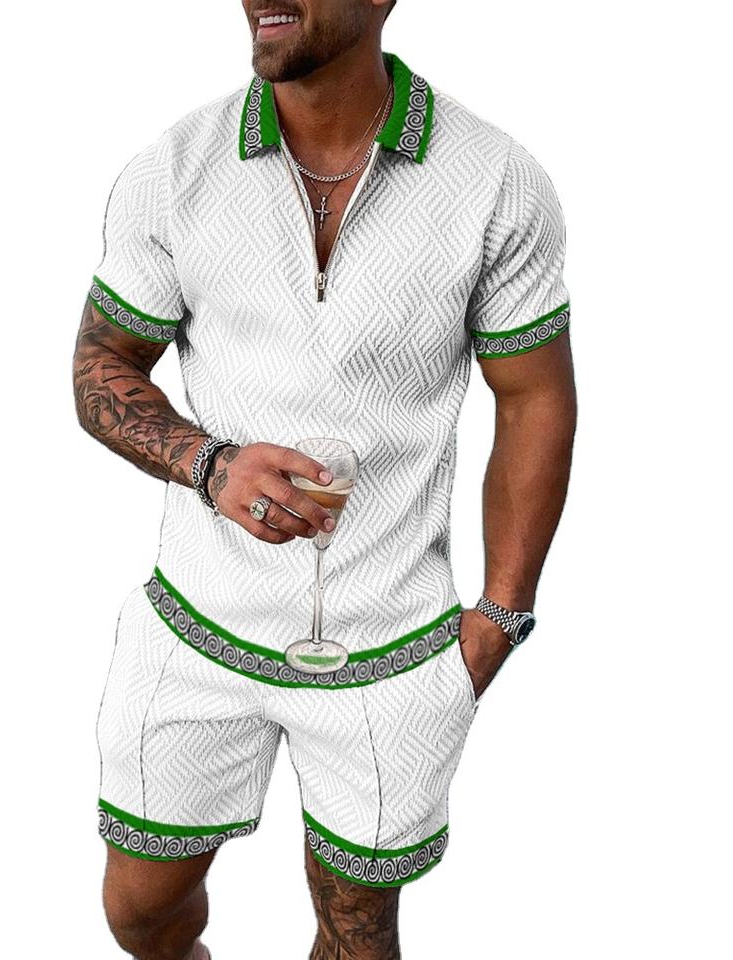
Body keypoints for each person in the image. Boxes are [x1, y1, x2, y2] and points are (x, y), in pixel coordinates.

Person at [72, 2, 576, 957]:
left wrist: (500, 618)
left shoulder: (496, 180)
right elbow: (101, 367)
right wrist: (209, 464)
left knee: (356, 931)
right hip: (195, 626)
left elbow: (534, 399)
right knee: (138, 914)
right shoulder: (173, 170)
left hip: (391, 648)